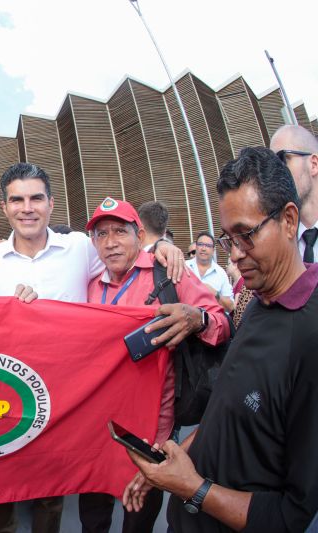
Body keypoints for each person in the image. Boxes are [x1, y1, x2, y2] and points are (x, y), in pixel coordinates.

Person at [0, 163, 185, 533]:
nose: (27, 208)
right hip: (5, 393)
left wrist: (163, 246)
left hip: (66, 401)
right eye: (17, 199)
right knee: (1, 490)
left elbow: (125, 251)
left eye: (36, 198)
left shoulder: (79, 248)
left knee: (51, 493)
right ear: (5, 207)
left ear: (51, 204)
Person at [124, 147, 318, 532]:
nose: (236, 257)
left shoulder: (311, 337)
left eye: (246, 235)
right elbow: (225, 410)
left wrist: (192, 488)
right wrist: (175, 460)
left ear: (289, 220)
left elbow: (290, 515)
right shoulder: (257, 300)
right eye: (228, 239)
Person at [83, 197, 229, 533]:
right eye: (101, 235)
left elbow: (221, 323)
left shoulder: (170, 275)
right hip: (100, 429)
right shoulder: (91, 286)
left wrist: (198, 319)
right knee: (92, 518)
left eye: (119, 232)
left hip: (152, 432)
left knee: (138, 519)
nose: (110, 242)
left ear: (139, 234)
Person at [270, 124, 318, 262]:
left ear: (313, 164)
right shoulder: (277, 247)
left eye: (282, 159)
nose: (276, 173)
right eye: (272, 165)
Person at [185, 232, 234, 313]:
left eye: (208, 245)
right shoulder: (184, 266)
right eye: (200, 244)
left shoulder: (221, 273)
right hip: (184, 319)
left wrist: (215, 294)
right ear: (196, 247)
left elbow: (230, 307)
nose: (203, 248)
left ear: (213, 250)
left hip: (212, 322)